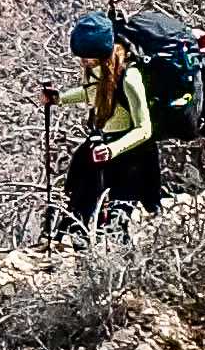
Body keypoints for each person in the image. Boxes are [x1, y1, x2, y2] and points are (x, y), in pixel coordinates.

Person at [60, 16, 164, 227]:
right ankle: (80, 246)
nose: (83, 63)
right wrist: (59, 99)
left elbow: (144, 129)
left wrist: (112, 149)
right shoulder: (98, 71)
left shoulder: (129, 77)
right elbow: (93, 92)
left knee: (119, 217)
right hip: (107, 145)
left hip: (133, 154)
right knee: (80, 200)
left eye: (88, 59)